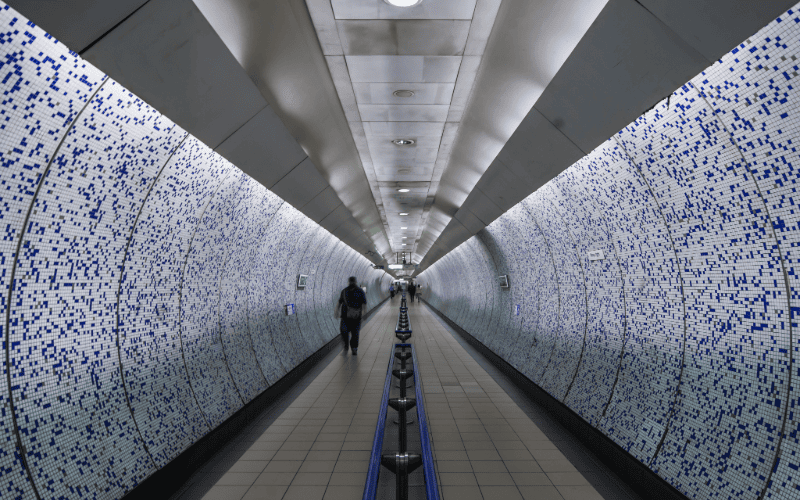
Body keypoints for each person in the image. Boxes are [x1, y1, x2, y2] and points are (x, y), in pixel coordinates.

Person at [339, 276, 367, 355]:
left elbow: (364, 302)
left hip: (353, 317)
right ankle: (349, 347)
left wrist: (364, 312)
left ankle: (351, 348)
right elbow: (340, 301)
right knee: (350, 332)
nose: (352, 283)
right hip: (350, 317)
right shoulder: (346, 291)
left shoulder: (357, 291)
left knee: (351, 333)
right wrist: (364, 312)